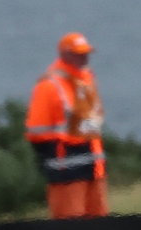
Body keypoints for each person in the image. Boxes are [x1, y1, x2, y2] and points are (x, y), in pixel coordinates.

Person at [25, 32, 108, 218]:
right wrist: (60, 153)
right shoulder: (49, 85)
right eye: (79, 53)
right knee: (70, 229)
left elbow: (93, 122)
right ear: (65, 54)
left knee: (100, 228)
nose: (84, 57)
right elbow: (36, 133)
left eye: (86, 53)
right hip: (67, 174)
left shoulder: (86, 79)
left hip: (95, 169)